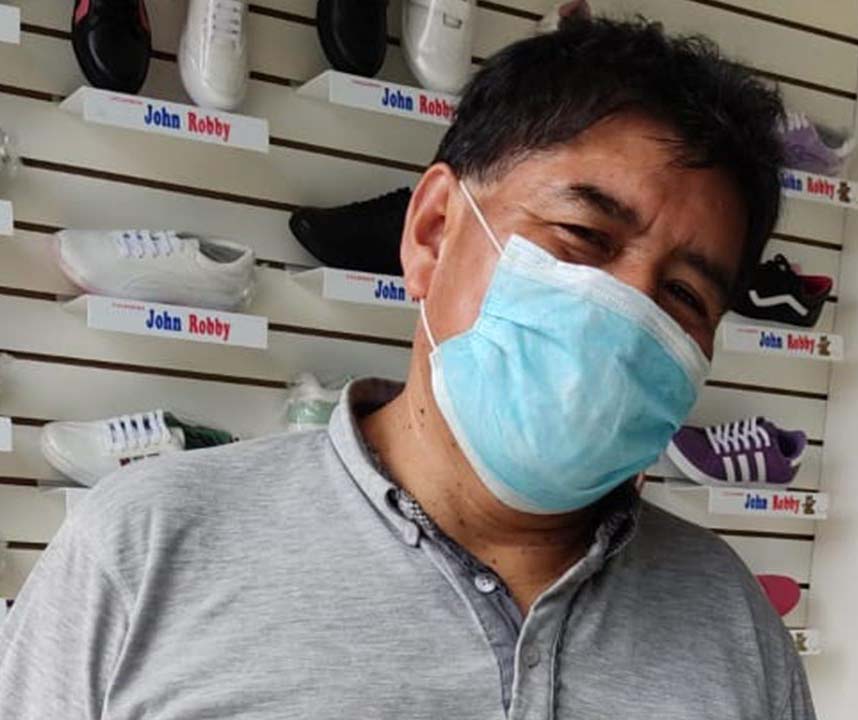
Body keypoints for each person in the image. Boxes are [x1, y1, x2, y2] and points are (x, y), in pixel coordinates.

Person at [0, 17, 815, 720]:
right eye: (583, 237)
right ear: (432, 232)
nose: (628, 314)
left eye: (683, 295)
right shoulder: (145, 547)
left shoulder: (732, 623)